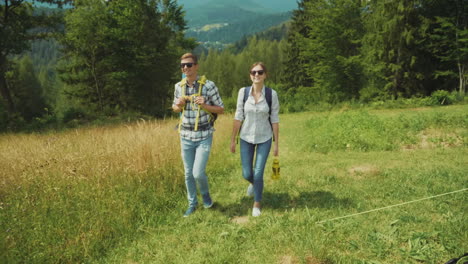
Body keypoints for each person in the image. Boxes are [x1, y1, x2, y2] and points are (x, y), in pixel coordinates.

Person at [173, 53, 224, 217]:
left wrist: (206, 105)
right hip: (185, 135)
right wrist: (178, 105)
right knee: (188, 173)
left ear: (196, 66)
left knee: (197, 173)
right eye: (182, 66)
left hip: (204, 135)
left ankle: (206, 195)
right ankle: (192, 203)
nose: (185, 68)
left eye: (188, 65)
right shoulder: (178, 87)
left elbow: (221, 109)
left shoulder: (209, 86)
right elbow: (175, 108)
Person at [230, 62, 280, 217]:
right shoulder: (243, 92)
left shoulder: (272, 95)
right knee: (247, 173)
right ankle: (254, 184)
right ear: (250, 75)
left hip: (265, 137)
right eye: (253, 72)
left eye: (260, 72)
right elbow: (238, 116)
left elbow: (275, 120)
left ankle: (257, 204)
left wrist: (276, 144)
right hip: (245, 137)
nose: (256, 75)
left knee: (258, 173)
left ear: (265, 75)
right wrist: (233, 139)